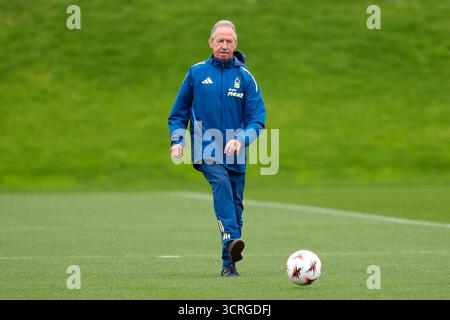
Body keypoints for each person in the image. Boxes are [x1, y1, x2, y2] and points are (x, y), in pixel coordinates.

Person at [168, 20, 266, 277]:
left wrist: (242, 139)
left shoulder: (245, 77)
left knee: (235, 205)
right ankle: (232, 237)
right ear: (211, 42)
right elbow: (177, 114)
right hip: (206, 148)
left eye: (229, 42)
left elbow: (257, 120)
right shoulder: (196, 73)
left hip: (236, 153)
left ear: (236, 45)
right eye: (220, 41)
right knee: (221, 183)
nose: (224, 46)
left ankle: (228, 263)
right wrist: (177, 141)